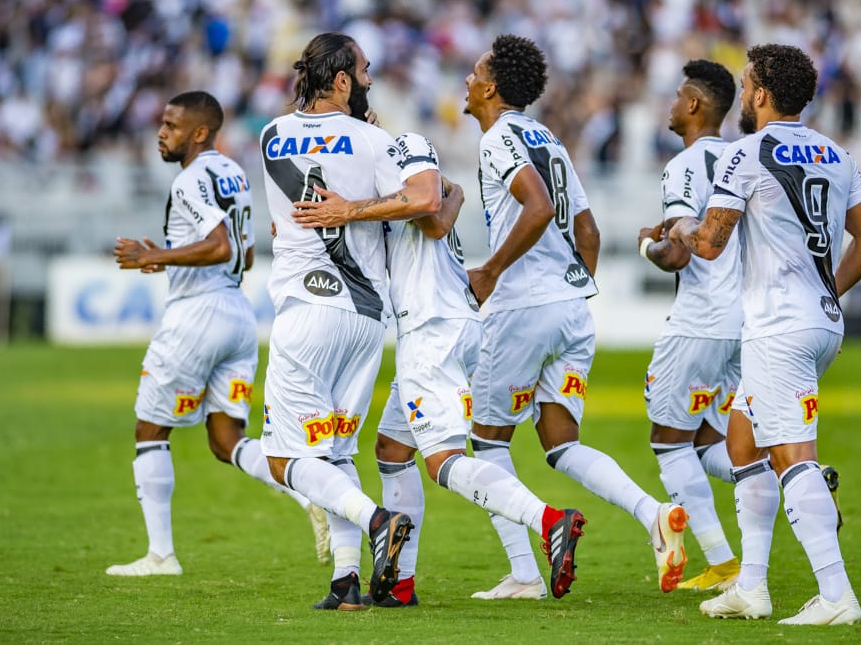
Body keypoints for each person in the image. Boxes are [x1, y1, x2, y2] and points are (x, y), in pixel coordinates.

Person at [293, 130, 587, 604]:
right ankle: (400, 587)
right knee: (392, 449)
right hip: (438, 321)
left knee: (443, 462)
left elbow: (432, 203)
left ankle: (549, 520)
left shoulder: (400, 147)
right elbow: (448, 195)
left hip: (434, 323)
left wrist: (350, 209)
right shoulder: (385, 178)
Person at [462, 34, 688, 599]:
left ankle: (523, 575)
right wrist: (569, 289)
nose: (466, 81)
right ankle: (653, 513)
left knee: (487, 443)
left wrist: (491, 271)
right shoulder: (549, 139)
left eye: (473, 73)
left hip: (523, 308)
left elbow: (537, 207)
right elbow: (588, 232)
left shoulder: (499, 139)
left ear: (490, 87)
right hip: (570, 310)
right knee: (561, 443)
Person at [668, 44, 861, 625]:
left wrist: (683, 224)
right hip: (820, 321)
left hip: (778, 328)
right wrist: (828, 292)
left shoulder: (745, 153)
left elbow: (710, 243)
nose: (742, 94)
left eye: (745, 85)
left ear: (762, 93)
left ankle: (837, 596)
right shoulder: (838, 154)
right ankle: (753, 588)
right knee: (743, 441)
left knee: (791, 455)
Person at [258, 32, 454, 610]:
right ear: (342, 80)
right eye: (364, 71)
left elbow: (281, 222)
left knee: (283, 457)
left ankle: (377, 520)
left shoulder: (271, 135)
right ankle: (346, 585)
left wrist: (341, 208)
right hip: (366, 316)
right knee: (336, 454)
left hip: (306, 307)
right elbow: (427, 201)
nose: (370, 79)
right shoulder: (375, 139)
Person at [106, 90, 330, 576]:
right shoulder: (231, 172)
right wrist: (174, 252)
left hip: (195, 316)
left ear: (199, 132)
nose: (161, 133)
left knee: (150, 429)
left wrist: (154, 256)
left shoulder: (190, 179)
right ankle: (305, 493)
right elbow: (244, 254)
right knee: (226, 439)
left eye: (171, 124)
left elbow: (217, 246)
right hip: (236, 315)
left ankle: (161, 555)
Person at [636, 59, 742, 592]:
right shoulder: (743, 158)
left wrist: (645, 245)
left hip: (701, 319)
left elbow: (676, 256)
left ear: (695, 105)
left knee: (669, 444)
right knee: (706, 442)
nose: (671, 105)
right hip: (746, 325)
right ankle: (806, 478)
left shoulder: (685, 166)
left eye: (678, 96)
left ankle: (723, 563)